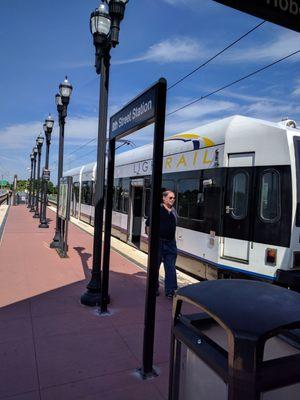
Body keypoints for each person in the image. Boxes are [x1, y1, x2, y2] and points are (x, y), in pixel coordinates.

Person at [145, 190, 178, 299]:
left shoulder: (174, 211)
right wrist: (151, 241)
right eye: (170, 198)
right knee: (155, 266)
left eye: (173, 198)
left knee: (171, 268)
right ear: (163, 198)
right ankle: (153, 288)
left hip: (171, 243)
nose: (172, 199)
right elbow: (148, 226)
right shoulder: (157, 210)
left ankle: (171, 291)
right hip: (158, 242)